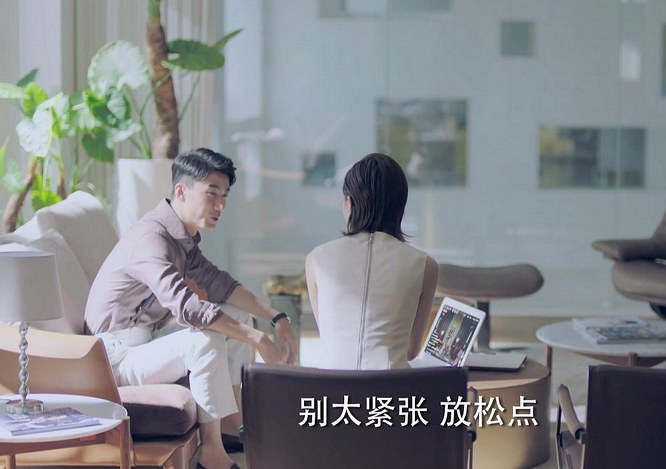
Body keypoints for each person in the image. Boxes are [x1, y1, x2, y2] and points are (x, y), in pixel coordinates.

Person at [85, 148, 298, 469]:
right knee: (204, 338)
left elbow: (222, 285)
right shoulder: (151, 238)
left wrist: (276, 317)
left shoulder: (181, 239)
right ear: (182, 191)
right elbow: (186, 307)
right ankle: (212, 452)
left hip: (146, 341)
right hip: (114, 356)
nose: (220, 206)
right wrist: (257, 338)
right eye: (212, 194)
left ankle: (231, 422)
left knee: (236, 315)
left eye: (225, 196)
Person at [305, 152, 438, 370]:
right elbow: (410, 351)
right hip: (391, 388)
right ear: (400, 207)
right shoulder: (425, 265)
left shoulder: (316, 260)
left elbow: (331, 338)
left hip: (331, 387)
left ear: (349, 203)